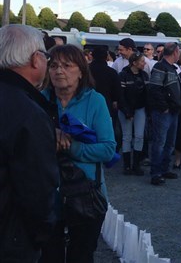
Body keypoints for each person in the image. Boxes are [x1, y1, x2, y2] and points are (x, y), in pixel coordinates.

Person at [40, 44, 116, 263]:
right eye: (53, 65)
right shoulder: (39, 100)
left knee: (81, 256)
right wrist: (49, 136)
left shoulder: (95, 101)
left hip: (86, 194)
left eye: (66, 65)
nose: (58, 71)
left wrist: (72, 147)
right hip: (47, 194)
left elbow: (108, 148)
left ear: (81, 70)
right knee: (48, 256)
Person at [0, 25, 59, 262]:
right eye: (46, 56)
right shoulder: (27, 111)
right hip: (10, 236)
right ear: (36, 60)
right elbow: (38, 187)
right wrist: (41, 233)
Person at [147, 42, 181, 186]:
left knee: (169, 143)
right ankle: (156, 173)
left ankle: (164, 169)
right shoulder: (160, 67)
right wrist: (164, 107)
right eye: (178, 51)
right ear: (174, 52)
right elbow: (154, 89)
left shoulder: (171, 68)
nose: (179, 54)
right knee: (160, 142)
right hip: (164, 112)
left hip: (172, 110)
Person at [118, 52, 149, 176]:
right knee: (127, 136)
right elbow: (121, 95)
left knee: (139, 135)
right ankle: (126, 165)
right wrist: (126, 111)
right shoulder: (123, 75)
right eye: (142, 61)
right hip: (126, 109)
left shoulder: (145, 75)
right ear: (134, 63)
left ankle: (136, 164)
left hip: (140, 108)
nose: (144, 63)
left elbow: (147, 94)